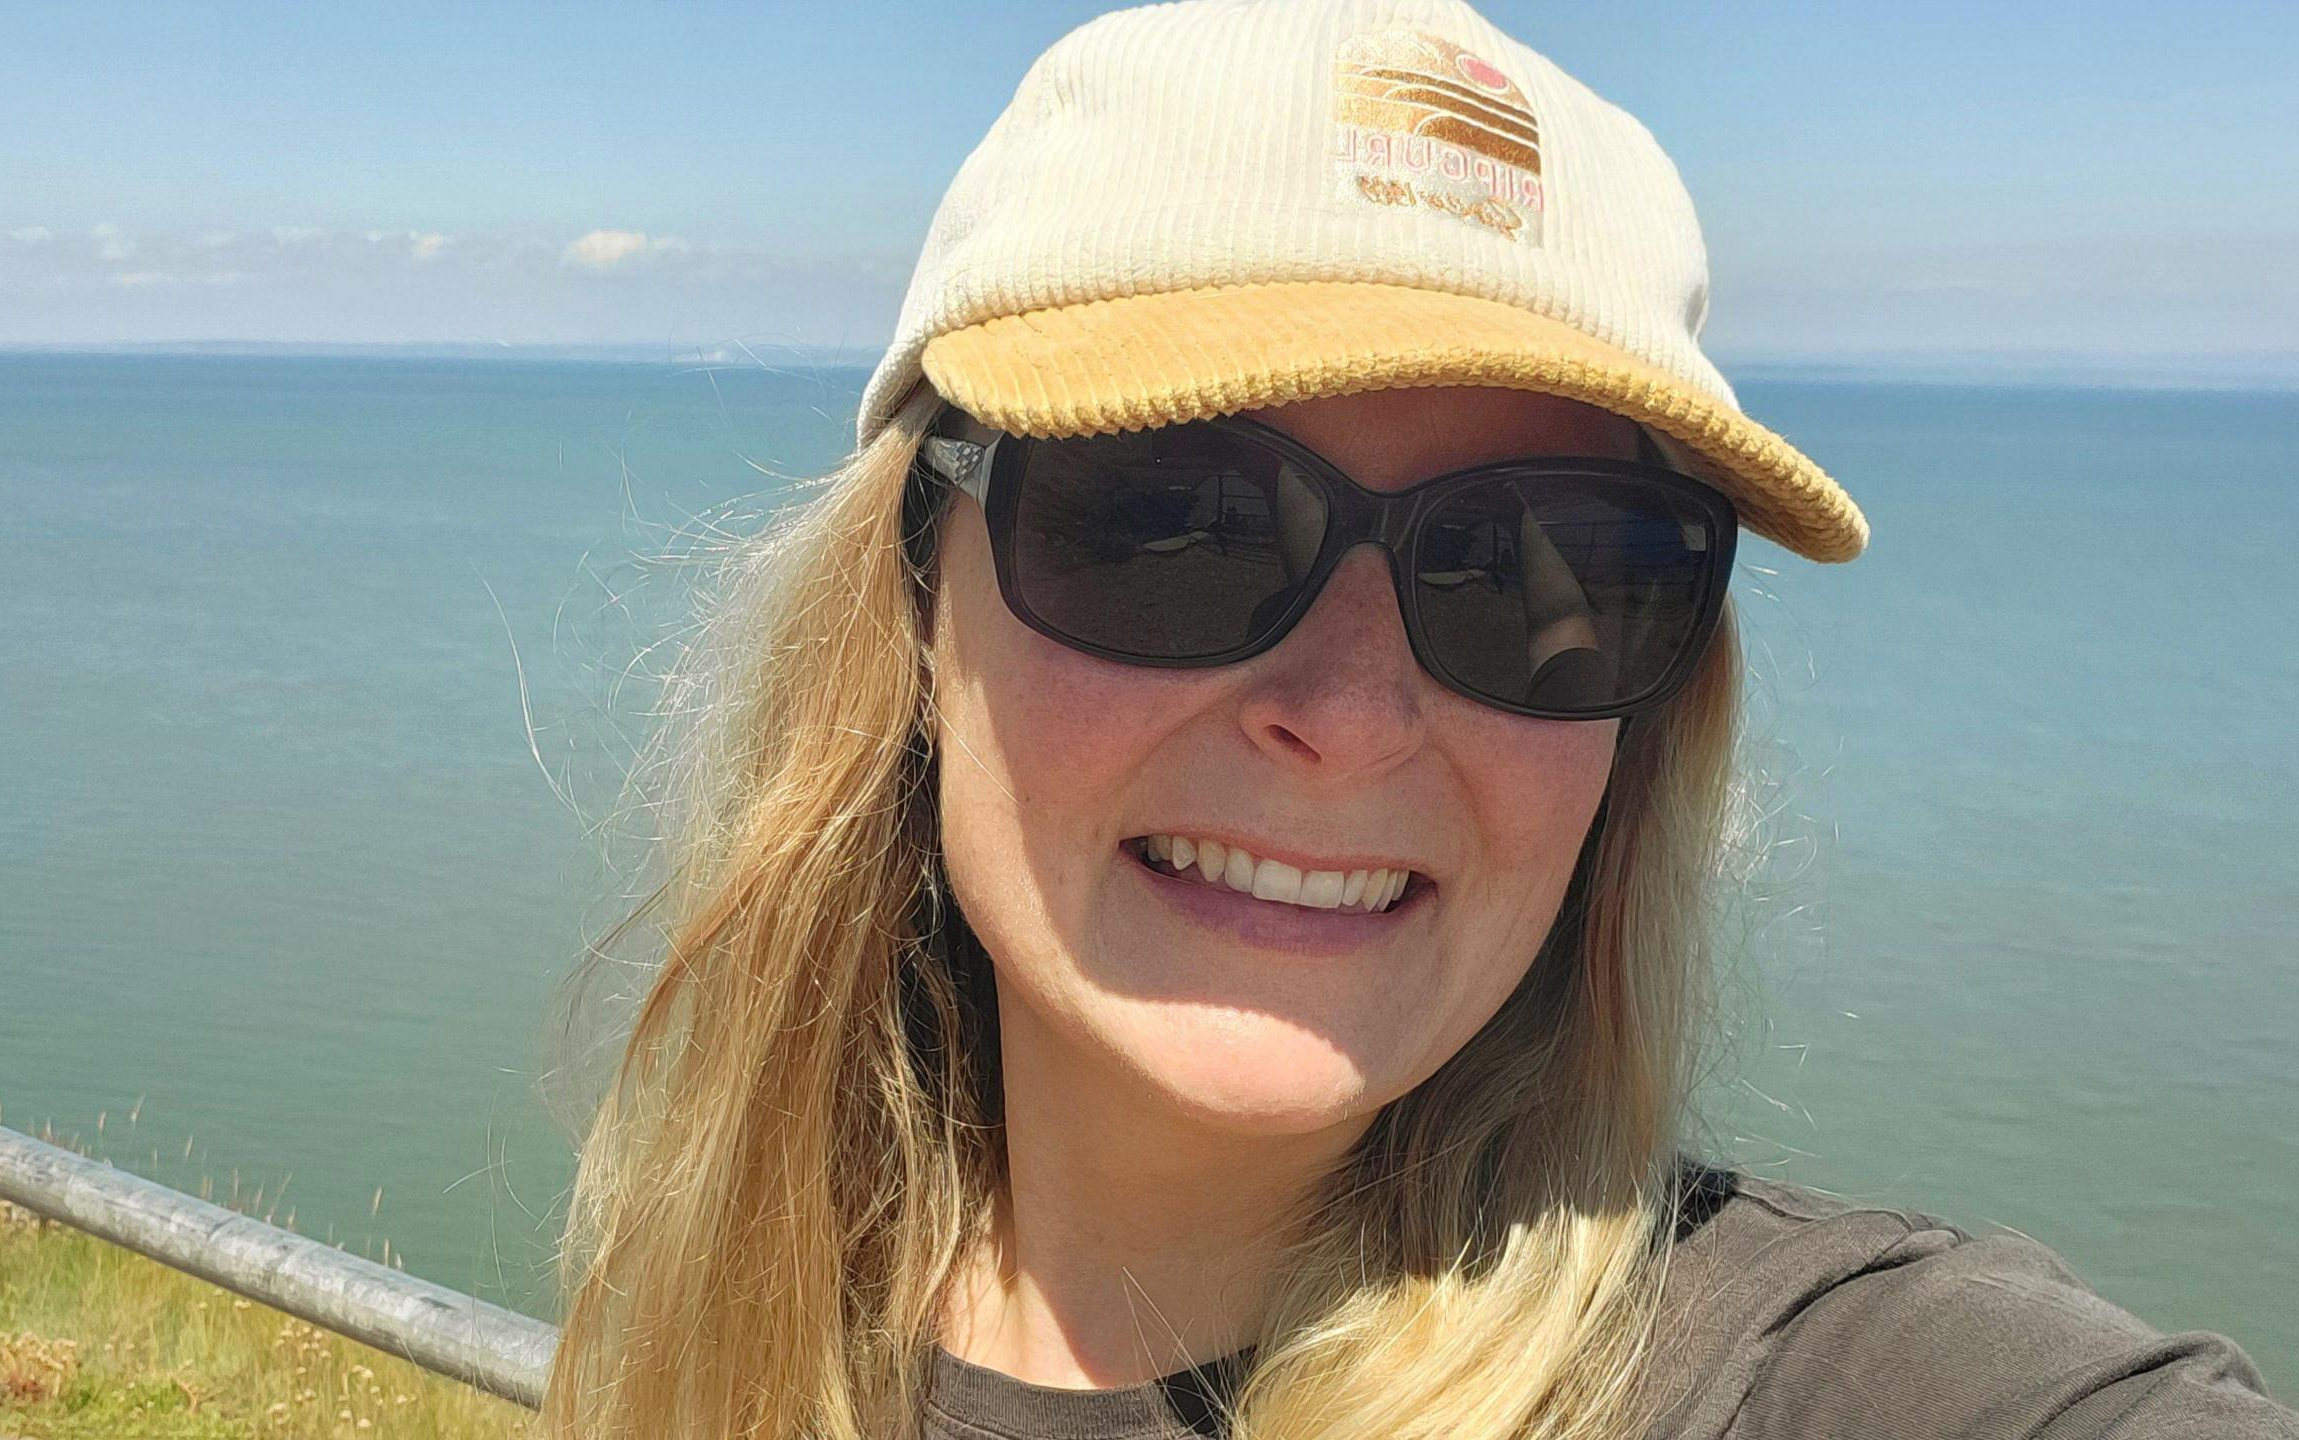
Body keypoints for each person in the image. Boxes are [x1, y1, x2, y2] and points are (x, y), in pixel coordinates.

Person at [540, 2, 2299, 1436]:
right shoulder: (724, 1324)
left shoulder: (1850, 1386)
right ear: (920, 598)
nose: (1355, 715)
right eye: (1176, 520)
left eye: (1548, 569)